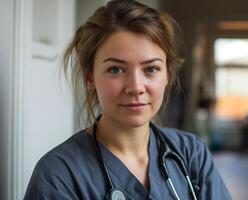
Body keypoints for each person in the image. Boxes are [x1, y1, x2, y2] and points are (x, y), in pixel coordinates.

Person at [24, 0, 231, 199]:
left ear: (167, 74)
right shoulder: (59, 176)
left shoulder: (191, 153)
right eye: (116, 69)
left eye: (151, 69)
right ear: (90, 77)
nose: (136, 87)